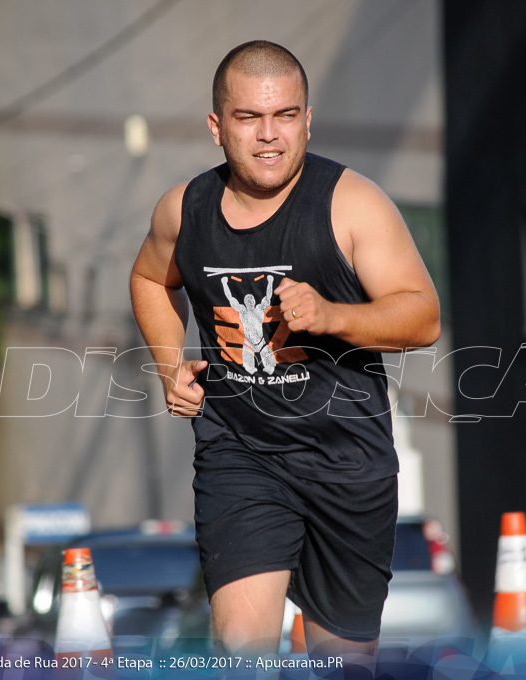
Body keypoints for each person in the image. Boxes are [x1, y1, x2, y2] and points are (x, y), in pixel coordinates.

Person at [129, 40, 440, 666]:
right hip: (240, 455)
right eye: (249, 118)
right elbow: (148, 279)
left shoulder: (351, 204)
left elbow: (423, 315)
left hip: (347, 462)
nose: (269, 136)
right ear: (218, 127)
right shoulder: (184, 211)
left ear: (306, 118)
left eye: (286, 116)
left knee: (344, 664)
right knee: (241, 654)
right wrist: (170, 365)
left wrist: (334, 316)